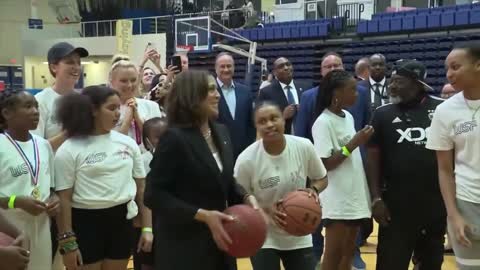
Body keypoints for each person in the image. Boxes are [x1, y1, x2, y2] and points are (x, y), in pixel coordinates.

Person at [144, 70, 261, 270]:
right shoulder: (173, 138)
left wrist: (245, 197)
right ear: (191, 95)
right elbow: (153, 195)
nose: (217, 95)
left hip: (220, 241)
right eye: (210, 90)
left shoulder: (222, 132)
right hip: (183, 246)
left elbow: (223, 181)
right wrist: (203, 215)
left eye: (216, 89)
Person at [54, 85, 152, 270]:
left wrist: (147, 228)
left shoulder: (127, 143)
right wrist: (67, 242)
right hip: (85, 223)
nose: (118, 113)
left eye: (118, 108)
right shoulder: (69, 149)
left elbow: (141, 188)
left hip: (121, 221)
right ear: (92, 110)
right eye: (111, 108)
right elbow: (64, 199)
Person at [366, 60, 446, 270]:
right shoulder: (382, 114)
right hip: (395, 207)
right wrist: (376, 198)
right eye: (391, 81)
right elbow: (373, 158)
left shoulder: (442, 109)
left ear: (417, 84)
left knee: (431, 263)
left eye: (398, 82)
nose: (391, 86)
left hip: (435, 206)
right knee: (390, 264)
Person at [234, 101, 328, 270]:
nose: (269, 125)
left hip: (299, 232)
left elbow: (322, 178)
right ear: (256, 127)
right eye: (262, 121)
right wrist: (261, 209)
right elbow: (238, 194)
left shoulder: (303, 146)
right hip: (263, 235)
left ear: (283, 120)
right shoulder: (246, 159)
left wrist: (313, 189)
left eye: (274, 118)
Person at [311, 70, 372, 270]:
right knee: (332, 256)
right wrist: (353, 144)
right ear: (337, 93)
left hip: (354, 191)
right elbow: (326, 163)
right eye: (352, 90)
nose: (357, 93)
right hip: (337, 196)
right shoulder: (323, 122)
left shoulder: (348, 117)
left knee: (348, 255)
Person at [427, 43, 480, 270]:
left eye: (456, 66)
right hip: (466, 202)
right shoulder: (445, 111)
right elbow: (444, 169)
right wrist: (454, 215)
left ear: (478, 65)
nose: (449, 73)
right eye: (447, 68)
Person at [0, 89, 60, 269]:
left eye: (36, 106)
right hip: (9, 226)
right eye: (28, 106)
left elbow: (51, 188)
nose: (35, 111)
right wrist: (15, 201)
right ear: (6, 113)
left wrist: (54, 200)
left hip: (41, 225)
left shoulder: (43, 145)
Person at [109, 57, 162, 152]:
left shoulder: (151, 106)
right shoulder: (107, 110)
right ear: (112, 82)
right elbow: (114, 144)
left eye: (133, 80)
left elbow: (156, 142)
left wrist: (137, 117)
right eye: (124, 81)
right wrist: (127, 119)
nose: (129, 85)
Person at [215, 52, 255, 158]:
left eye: (229, 66)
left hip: (244, 153)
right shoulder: (208, 92)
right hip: (219, 152)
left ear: (234, 67)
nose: (226, 69)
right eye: (222, 66)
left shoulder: (245, 91)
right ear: (216, 68)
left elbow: (251, 124)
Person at [257, 57, 311, 135]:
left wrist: (304, 111)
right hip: (280, 139)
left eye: (288, 64)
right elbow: (262, 121)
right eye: (281, 66)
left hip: (305, 138)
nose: (286, 68)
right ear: (275, 72)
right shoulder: (266, 92)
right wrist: (282, 116)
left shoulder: (306, 88)